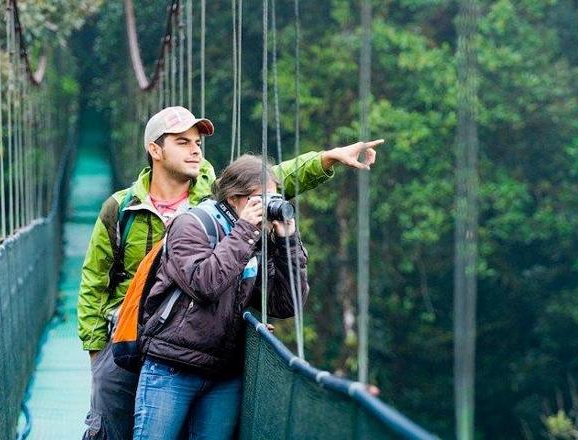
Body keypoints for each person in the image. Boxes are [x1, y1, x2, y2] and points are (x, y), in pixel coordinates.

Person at [78, 105, 383, 439]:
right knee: (110, 429)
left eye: (197, 142)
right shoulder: (123, 208)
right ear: (155, 150)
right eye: (182, 142)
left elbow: (271, 179)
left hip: (202, 344)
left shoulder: (215, 196)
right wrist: (97, 351)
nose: (195, 149)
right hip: (129, 331)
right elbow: (94, 280)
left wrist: (327, 159)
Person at [133, 155, 307, 440]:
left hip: (224, 374)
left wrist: (287, 241)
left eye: (273, 199)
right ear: (234, 197)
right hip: (172, 367)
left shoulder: (255, 238)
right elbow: (205, 284)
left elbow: (286, 304)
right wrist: (245, 231)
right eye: (260, 199)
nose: (268, 207)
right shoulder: (192, 225)